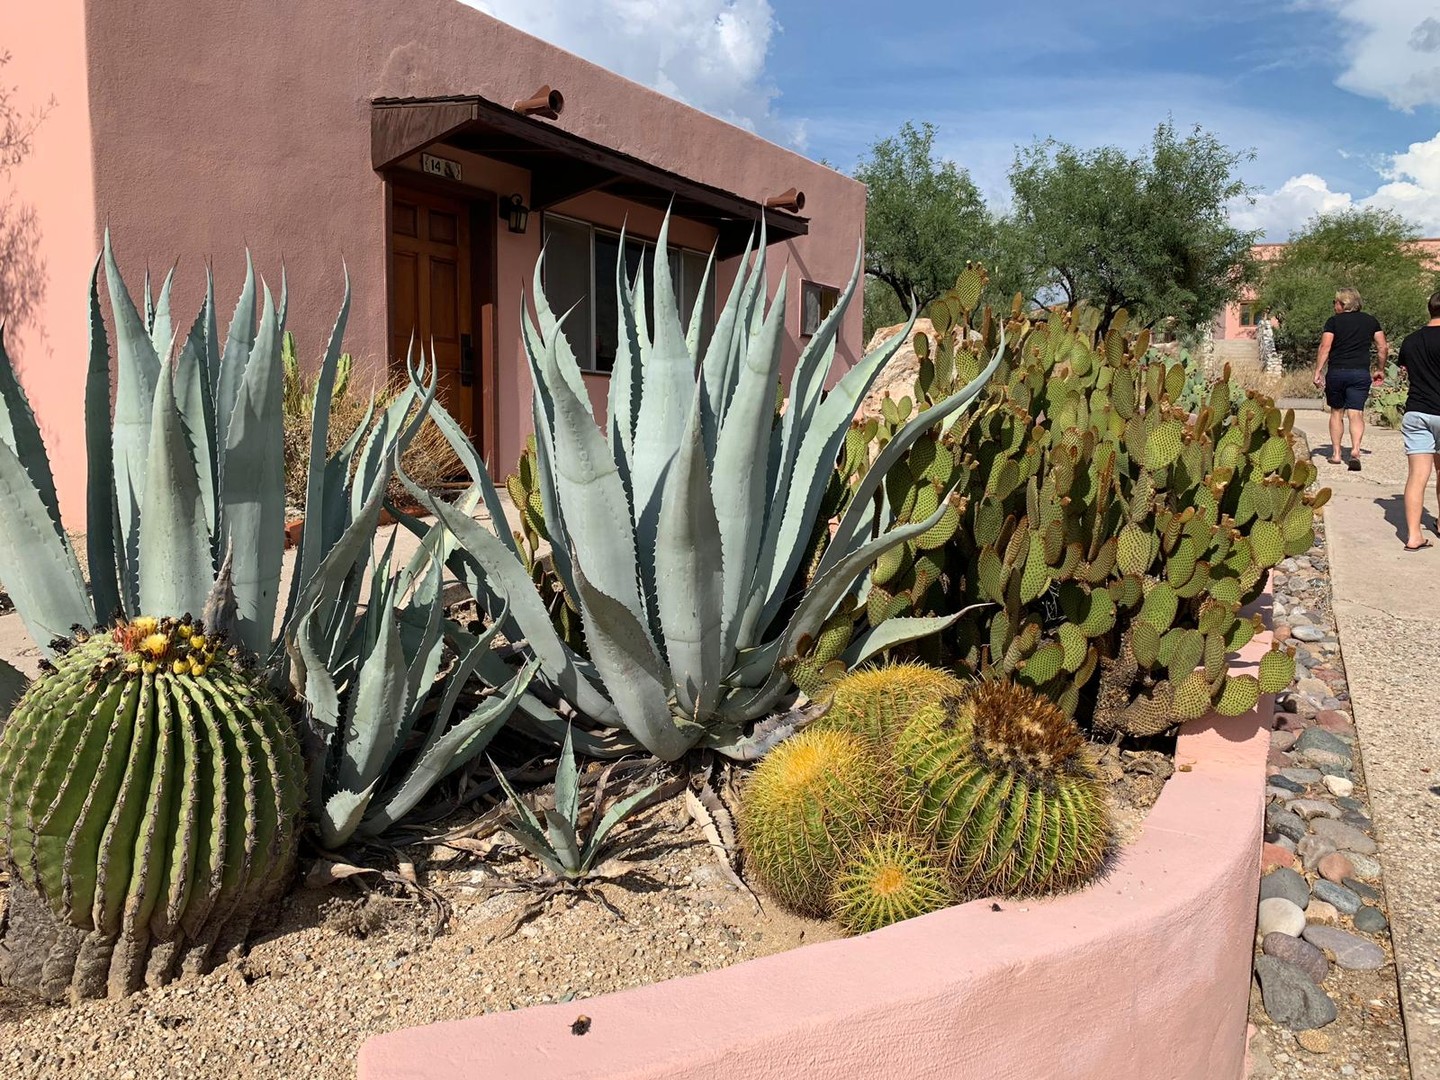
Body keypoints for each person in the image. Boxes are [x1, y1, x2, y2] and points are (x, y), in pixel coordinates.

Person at [1312, 287, 1386, 471]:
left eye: (1335, 302)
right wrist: (1380, 369)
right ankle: (1355, 450)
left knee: (1337, 412)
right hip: (1360, 373)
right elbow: (1382, 347)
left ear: (1343, 304)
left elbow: (1325, 346)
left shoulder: (1333, 322)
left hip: (1337, 372)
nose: (1334, 306)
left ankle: (1336, 454)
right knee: (1356, 413)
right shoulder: (1371, 321)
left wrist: (1318, 370)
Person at [1397, 290, 1440, 551]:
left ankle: (1414, 536)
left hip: (1417, 412)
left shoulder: (1411, 340)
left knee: (1417, 475)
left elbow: (1405, 371)